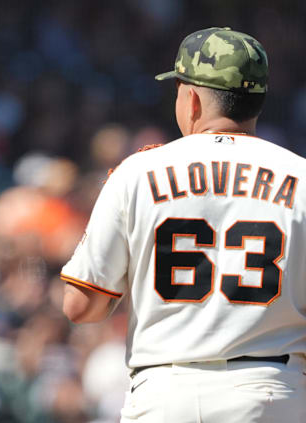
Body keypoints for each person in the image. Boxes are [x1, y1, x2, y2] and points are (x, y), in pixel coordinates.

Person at [60, 27, 306, 422]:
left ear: (191, 98)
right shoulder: (301, 176)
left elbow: (81, 306)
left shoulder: (138, 172)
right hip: (269, 392)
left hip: (165, 392)